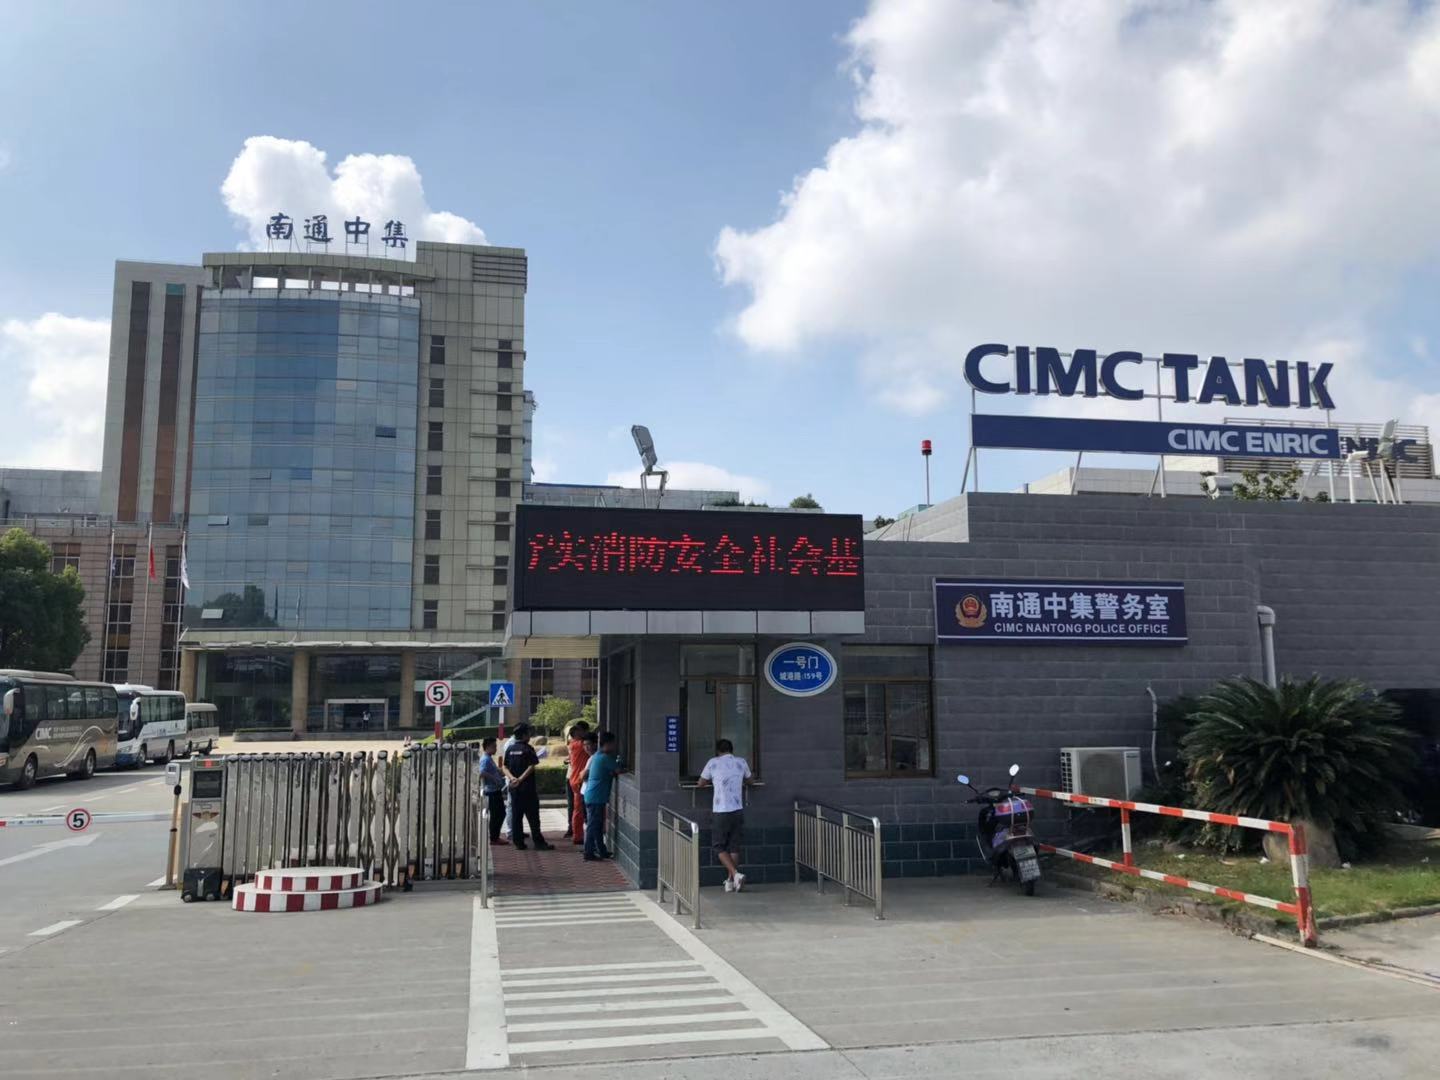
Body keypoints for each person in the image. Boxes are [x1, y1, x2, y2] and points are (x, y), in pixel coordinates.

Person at [697, 738, 752, 892]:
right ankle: (731, 882)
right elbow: (751, 781)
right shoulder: (741, 762)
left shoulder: (713, 763)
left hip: (720, 811)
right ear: (731, 750)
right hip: (737, 809)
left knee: (718, 846)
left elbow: (701, 783)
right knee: (734, 846)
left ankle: (735, 874)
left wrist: (714, 781)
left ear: (718, 751)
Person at [502, 724, 552, 850]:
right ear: (524, 735)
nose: (530, 735)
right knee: (533, 817)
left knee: (516, 816)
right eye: (528, 733)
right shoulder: (528, 749)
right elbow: (531, 766)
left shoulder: (510, 749)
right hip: (527, 788)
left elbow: (504, 766)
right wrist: (520, 779)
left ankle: (518, 842)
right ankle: (539, 843)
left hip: (514, 787)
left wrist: (512, 778)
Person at [577, 731, 623, 861]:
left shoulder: (597, 756)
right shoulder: (604, 758)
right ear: (607, 744)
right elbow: (618, 770)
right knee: (593, 825)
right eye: (613, 743)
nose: (614, 746)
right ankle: (588, 852)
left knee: (596, 825)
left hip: (593, 796)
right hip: (596, 797)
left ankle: (601, 850)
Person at [478, 737, 508, 846]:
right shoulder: (485, 759)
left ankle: (494, 836)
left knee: (499, 814)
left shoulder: (488, 758)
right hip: (491, 792)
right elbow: (481, 772)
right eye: (493, 746)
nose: (495, 749)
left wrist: (500, 772)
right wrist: (494, 779)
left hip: (495, 791)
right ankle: (494, 837)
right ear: (487, 747)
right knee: (498, 815)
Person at [564, 720, 591, 838]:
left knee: (576, 808)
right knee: (579, 809)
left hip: (574, 778)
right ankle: (577, 835)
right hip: (579, 780)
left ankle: (575, 832)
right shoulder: (580, 745)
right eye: (580, 731)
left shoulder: (572, 744)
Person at [569, 732, 597, 845]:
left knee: (583, 815)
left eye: (588, 744)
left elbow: (583, 774)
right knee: (588, 818)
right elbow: (583, 775)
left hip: (579, 785)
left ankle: (580, 838)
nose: (586, 747)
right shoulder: (590, 756)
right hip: (581, 785)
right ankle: (586, 843)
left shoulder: (573, 745)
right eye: (585, 744)